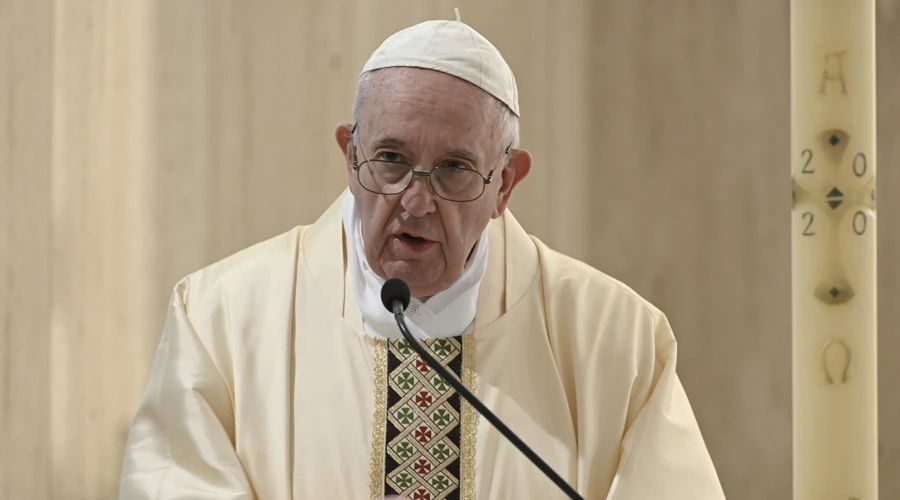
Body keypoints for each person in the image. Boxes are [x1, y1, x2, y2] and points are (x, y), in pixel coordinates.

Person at [119, 14, 726, 500]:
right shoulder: (220, 319)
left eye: (455, 169)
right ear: (349, 154)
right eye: (390, 158)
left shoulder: (618, 343)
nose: (415, 200)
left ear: (506, 184)